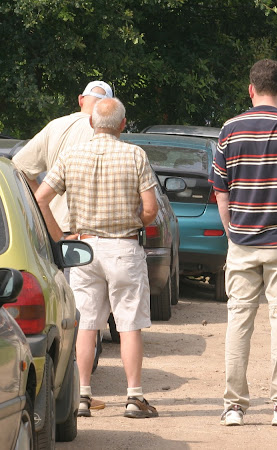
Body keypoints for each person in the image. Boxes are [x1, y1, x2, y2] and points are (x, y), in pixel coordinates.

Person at [35, 97, 160, 419]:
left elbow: (41, 198)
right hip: (123, 247)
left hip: (84, 250)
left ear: (91, 122)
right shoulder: (135, 155)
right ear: (123, 123)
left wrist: (60, 236)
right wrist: (135, 222)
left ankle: (83, 396)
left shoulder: (71, 155)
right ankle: (134, 396)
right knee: (129, 323)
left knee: (87, 324)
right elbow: (150, 209)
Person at [211, 59, 277, 427]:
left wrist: (231, 230)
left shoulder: (229, 130)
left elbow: (220, 190)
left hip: (242, 241)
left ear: (251, 89)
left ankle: (234, 406)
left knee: (239, 321)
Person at [13, 80, 114, 234]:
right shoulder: (107, 133)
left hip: (54, 229)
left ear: (81, 99)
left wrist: (42, 204)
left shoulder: (54, 127)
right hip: (92, 232)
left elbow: (20, 166)